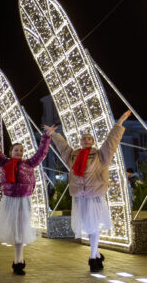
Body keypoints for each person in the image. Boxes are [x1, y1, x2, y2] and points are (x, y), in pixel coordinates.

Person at [48, 110, 132, 272]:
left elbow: (111, 142)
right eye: (84, 138)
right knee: (88, 226)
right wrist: (55, 135)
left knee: (93, 226)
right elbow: (63, 148)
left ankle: (93, 257)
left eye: (89, 138)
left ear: (93, 141)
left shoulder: (101, 155)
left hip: (94, 195)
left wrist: (119, 123)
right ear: (80, 142)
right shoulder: (73, 155)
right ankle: (97, 254)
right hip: (79, 196)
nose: (86, 140)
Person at [0, 122, 55, 275]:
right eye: (16, 150)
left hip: (24, 200)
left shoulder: (29, 164)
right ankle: (18, 260)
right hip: (10, 199)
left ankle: (19, 260)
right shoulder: (4, 162)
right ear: (10, 152)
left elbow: (41, 154)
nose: (19, 152)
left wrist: (46, 137)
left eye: (21, 150)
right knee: (14, 229)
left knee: (21, 229)